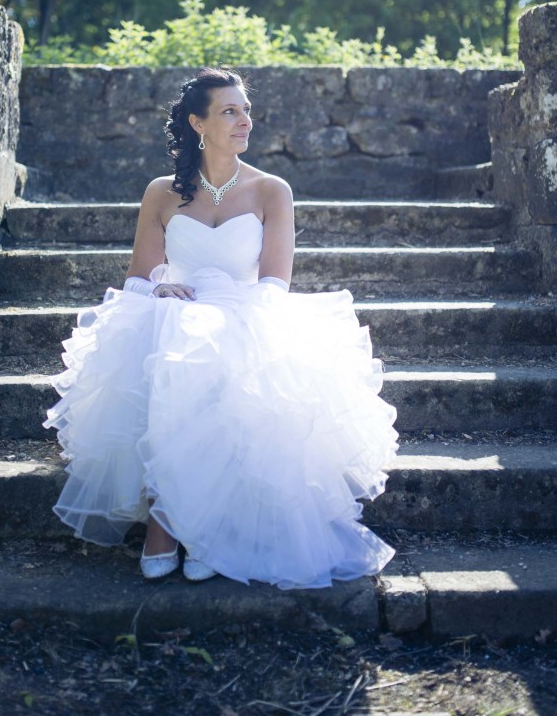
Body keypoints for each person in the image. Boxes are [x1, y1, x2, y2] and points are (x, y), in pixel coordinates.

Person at [45, 67, 398, 589]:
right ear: (198, 123)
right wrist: (159, 290)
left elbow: (275, 281)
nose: (244, 121)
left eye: (246, 110)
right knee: (175, 337)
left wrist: (231, 317)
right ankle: (167, 520)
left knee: (216, 349)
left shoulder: (270, 190)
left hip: (248, 308)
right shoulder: (161, 193)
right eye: (230, 111)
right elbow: (138, 278)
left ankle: (204, 526)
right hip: (174, 313)